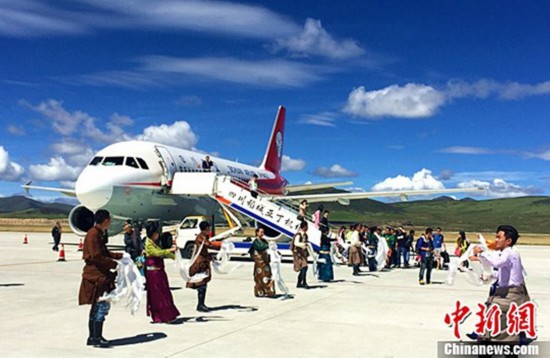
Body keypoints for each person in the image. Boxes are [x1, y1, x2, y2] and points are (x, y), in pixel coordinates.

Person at [469, 225, 532, 344]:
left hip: (509, 295)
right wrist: (490, 276)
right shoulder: (509, 253)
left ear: (508, 241)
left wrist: (481, 254)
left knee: (496, 326)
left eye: (499, 237)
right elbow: (506, 274)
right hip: (508, 293)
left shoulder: (509, 253)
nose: (496, 240)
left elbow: (498, 263)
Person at [78, 209, 123, 348]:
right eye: (109, 220)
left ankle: (93, 337)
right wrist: (114, 264)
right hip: (96, 276)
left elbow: (104, 252)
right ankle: (96, 337)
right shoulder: (93, 235)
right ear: (105, 220)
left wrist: (119, 256)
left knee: (97, 307)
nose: (110, 223)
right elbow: (97, 256)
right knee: (101, 306)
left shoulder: (98, 233)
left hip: (99, 275)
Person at [144, 223, 180, 323]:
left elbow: (163, 253)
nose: (158, 235)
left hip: (159, 272)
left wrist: (175, 258)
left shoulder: (153, 243)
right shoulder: (148, 244)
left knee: (164, 292)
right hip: (154, 273)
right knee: (159, 294)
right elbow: (158, 253)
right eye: (156, 233)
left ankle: (165, 315)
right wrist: (170, 250)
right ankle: (164, 316)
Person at [186, 221, 221, 312]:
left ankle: (201, 304)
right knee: (201, 283)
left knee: (203, 283)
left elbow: (205, 250)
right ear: (205, 228)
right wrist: (221, 246)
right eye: (208, 228)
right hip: (200, 263)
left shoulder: (204, 236)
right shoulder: (201, 237)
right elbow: (208, 245)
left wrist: (210, 257)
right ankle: (200, 305)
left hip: (203, 262)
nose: (209, 230)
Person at [251, 227, 275, 297]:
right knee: (260, 277)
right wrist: (268, 246)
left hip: (265, 261)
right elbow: (260, 247)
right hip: (259, 262)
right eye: (261, 232)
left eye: (263, 232)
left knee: (267, 275)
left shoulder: (264, 241)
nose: (262, 234)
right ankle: (260, 290)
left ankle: (268, 290)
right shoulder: (255, 242)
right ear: (257, 233)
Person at [292, 220, 310, 288]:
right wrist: (303, 244)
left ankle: (300, 282)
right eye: (306, 226)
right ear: (304, 227)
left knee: (304, 268)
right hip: (299, 254)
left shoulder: (305, 235)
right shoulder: (299, 235)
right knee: (304, 267)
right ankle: (304, 282)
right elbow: (296, 243)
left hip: (303, 254)